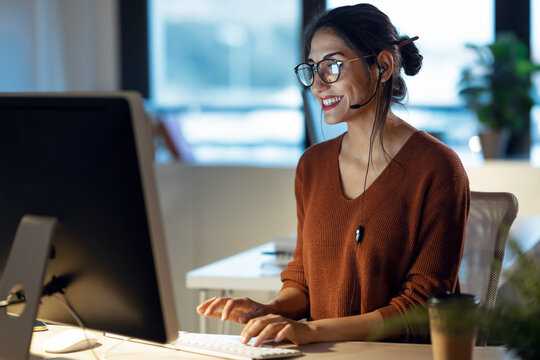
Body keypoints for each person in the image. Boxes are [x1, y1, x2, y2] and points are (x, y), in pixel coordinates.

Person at [197, 3, 470, 346]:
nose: (317, 86)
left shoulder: (438, 168)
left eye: (333, 67)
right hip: (325, 352)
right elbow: (303, 280)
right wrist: (268, 309)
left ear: (383, 66)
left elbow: (420, 307)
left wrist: (311, 331)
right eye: (313, 69)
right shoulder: (312, 165)